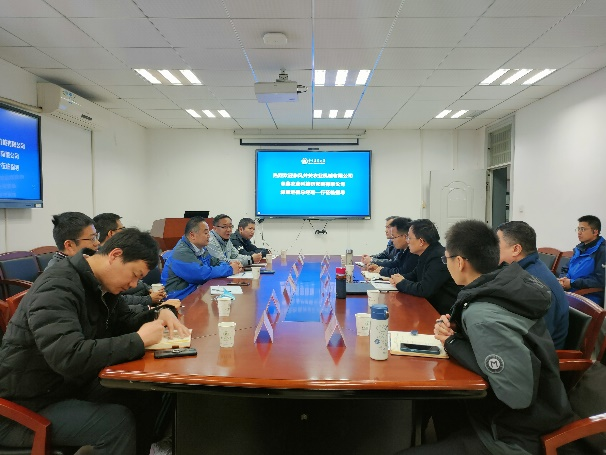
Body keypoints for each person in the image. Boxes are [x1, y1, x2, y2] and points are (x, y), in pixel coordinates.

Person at [0, 228, 189, 455]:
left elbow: (124, 322)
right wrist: (139, 340)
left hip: (64, 385)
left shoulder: (99, 283)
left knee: (145, 392)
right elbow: (68, 356)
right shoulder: (57, 286)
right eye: (135, 275)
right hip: (23, 406)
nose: (133, 284)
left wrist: (160, 313)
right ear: (115, 255)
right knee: (116, 423)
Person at [403, 220, 573, 455]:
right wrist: (457, 332)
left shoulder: (482, 314)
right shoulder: (500, 284)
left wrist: (453, 342)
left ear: (460, 262)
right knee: (435, 403)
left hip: (512, 435)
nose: (446, 264)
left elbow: (517, 395)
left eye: (446, 259)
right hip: (509, 414)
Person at [497, 221, 569, 349]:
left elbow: (535, 340)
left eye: (497, 245)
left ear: (516, 249)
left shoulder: (534, 284)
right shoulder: (522, 270)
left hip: (540, 356)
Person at [93, 212, 167, 311]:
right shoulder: (77, 286)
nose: (133, 284)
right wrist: (148, 302)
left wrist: (155, 311)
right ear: (115, 255)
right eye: (122, 229)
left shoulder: (109, 283)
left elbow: (121, 312)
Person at [389, 219, 459, 314]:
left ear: (421, 241)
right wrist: (396, 278)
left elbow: (424, 289)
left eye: (409, 238)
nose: (407, 241)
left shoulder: (438, 257)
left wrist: (401, 283)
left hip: (442, 313)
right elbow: (414, 275)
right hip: (431, 306)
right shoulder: (427, 253)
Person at [162, 216, 241, 300]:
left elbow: (215, 262)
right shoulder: (181, 253)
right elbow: (201, 274)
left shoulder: (201, 249)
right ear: (192, 235)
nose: (209, 236)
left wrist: (229, 264)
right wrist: (230, 269)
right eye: (206, 233)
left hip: (196, 294)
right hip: (179, 299)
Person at [559, 215, 605, 305]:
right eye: (578, 229)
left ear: (595, 232)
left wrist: (572, 283)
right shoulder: (579, 248)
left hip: (588, 295)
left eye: (583, 229)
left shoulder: (602, 251)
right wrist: (563, 279)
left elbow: (600, 280)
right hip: (570, 290)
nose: (579, 232)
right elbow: (566, 268)